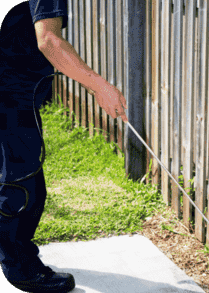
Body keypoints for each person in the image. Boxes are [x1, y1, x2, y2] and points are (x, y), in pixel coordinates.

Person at [0, 1, 128, 292]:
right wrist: (100, 86)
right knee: (23, 184)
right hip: (9, 95)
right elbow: (49, 40)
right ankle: (20, 268)